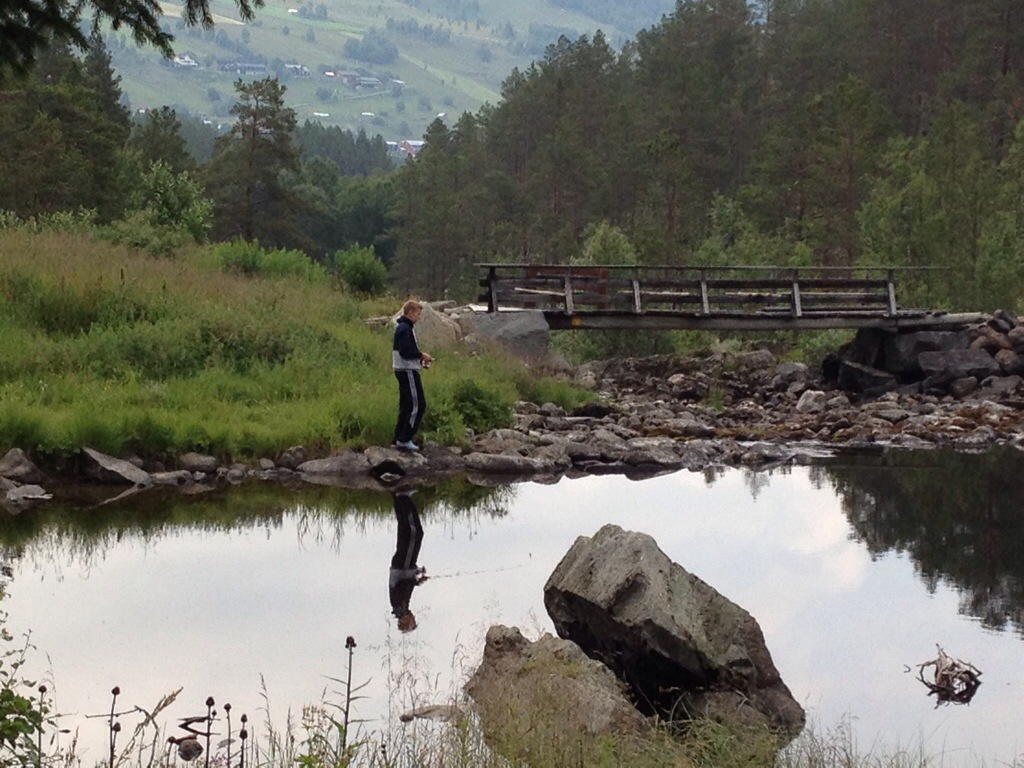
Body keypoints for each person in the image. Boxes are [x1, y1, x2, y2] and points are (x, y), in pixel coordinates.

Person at [392, 299, 433, 451]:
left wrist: (419, 362)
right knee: (418, 404)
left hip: (403, 369)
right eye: (417, 314)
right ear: (410, 313)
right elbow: (406, 352)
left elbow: (405, 351)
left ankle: (398, 437)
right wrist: (421, 355)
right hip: (407, 371)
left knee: (406, 405)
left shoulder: (403, 327)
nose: (419, 317)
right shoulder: (405, 329)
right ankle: (405, 438)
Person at [389, 489, 427, 632]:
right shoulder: (400, 607)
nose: (413, 617)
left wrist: (416, 581)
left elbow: (402, 584)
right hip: (403, 565)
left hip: (403, 565)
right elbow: (405, 583)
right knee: (405, 531)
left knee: (415, 533)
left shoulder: (398, 606)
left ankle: (403, 497)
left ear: (405, 622)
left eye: (412, 621)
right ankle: (398, 498)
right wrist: (417, 573)